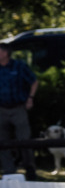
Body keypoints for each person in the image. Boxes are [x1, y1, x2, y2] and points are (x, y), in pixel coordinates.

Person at [0, 42, 39, 180]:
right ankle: (9, 172)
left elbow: (34, 81)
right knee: (2, 141)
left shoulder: (19, 66)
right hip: (1, 109)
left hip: (18, 107)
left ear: (5, 53)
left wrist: (30, 98)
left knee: (24, 139)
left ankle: (30, 169)